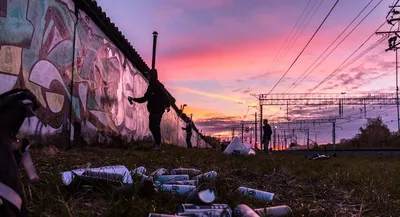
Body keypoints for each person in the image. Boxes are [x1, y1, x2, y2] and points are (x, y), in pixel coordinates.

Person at [128, 69, 171, 150]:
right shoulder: (151, 86)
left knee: (155, 127)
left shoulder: (158, 86)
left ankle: (157, 145)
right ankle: (157, 144)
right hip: (153, 110)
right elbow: (145, 98)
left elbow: (166, 96)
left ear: (152, 76)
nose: (147, 76)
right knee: (152, 127)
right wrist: (134, 99)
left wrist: (168, 105)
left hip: (158, 110)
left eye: (149, 75)